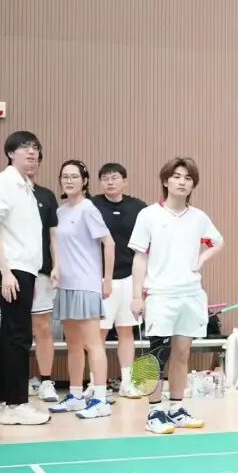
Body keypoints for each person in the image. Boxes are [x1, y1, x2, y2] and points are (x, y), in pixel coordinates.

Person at [130, 157, 224, 434]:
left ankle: (176, 408)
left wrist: (202, 259)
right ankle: (153, 412)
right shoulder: (148, 215)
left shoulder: (199, 218)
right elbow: (139, 258)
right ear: (165, 181)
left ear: (193, 184)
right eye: (177, 176)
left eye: (188, 178)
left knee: (182, 353)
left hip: (191, 295)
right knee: (156, 355)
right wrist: (137, 296)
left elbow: (218, 241)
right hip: (160, 295)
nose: (182, 182)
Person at [0, 131, 51, 425]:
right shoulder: (3, 183)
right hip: (13, 269)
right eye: (24, 147)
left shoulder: (25, 187)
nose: (31, 152)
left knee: (10, 334)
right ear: (10, 153)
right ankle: (16, 404)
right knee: (19, 336)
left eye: (35, 148)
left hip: (25, 269)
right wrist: (4, 270)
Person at [48, 160, 115, 419]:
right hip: (65, 286)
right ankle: (75, 396)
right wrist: (56, 268)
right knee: (73, 345)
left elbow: (109, 243)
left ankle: (100, 399)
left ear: (84, 181)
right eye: (65, 176)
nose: (69, 180)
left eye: (74, 176)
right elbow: (56, 245)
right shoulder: (61, 211)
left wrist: (106, 280)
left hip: (86, 285)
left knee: (93, 343)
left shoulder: (88, 209)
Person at [92, 162, 147, 399]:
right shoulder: (92, 205)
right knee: (98, 334)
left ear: (125, 181)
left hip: (130, 278)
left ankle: (127, 382)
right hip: (99, 278)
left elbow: (146, 245)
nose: (110, 182)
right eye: (105, 178)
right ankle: (95, 383)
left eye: (114, 177)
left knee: (126, 331)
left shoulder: (139, 208)